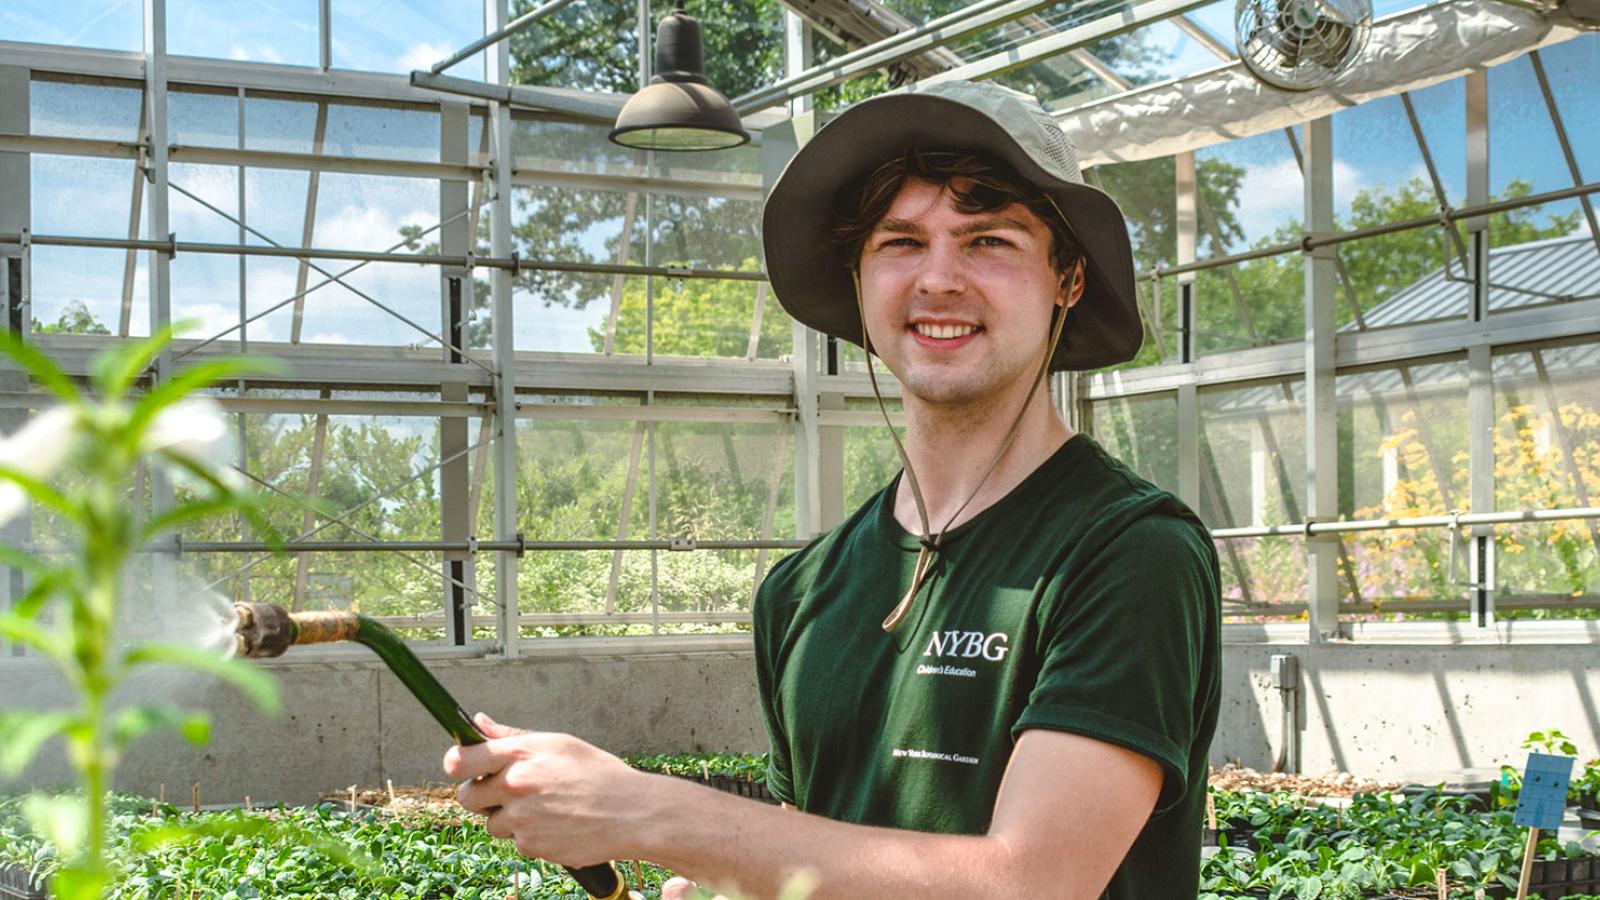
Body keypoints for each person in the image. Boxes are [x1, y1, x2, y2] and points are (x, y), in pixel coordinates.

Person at [445, 80, 1221, 900]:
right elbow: (822, 867)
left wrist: (644, 810)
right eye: (900, 243)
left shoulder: (1128, 553)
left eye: (988, 241)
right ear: (856, 278)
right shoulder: (803, 591)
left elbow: (1030, 884)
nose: (940, 279)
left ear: (1067, 278)